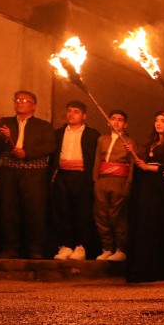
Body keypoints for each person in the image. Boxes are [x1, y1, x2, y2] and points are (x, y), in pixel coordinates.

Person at [0, 89, 55, 259]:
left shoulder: (43, 126)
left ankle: (35, 249)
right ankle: (9, 248)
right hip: (10, 171)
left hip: (34, 173)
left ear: (34, 106)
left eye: (25, 100)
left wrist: (27, 152)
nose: (19, 102)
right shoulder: (4, 123)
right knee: (8, 209)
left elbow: (50, 146)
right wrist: (3, 137)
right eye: (17, 99)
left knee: (34, 210)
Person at [123, 110, 164, 281]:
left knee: (155, 224)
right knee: (142, 224)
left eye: (162, 121)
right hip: (145, 186)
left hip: (160, 186)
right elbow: (142, 164)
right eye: (156, 120)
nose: (158, 123)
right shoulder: (150, 143)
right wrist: (133, 153)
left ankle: (156, 268)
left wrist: (148, 167)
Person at [49, 100, 99, 261]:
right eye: (69, 111)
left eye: (75, 111)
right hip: (63, 175)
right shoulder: (58, 133)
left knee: (82, 212)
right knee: (62, 212)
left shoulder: (92, 135)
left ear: (84, 116)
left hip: (82, 176)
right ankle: (65, 246)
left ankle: (81, 246)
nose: (71, 114)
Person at [92, 110, 134, 262]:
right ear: (108, 121)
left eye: (120, 120)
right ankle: (107, 248)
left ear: (125, 124)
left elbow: (132, 165)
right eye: (113, 119)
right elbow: (97, 160)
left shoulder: (129, 142)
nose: (116, 122)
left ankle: (120, 249)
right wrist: (95, 181)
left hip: (119, 181)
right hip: (102, 180)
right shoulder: (102, 139)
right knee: (101, 215)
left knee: (117, 216)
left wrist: (128, 184)